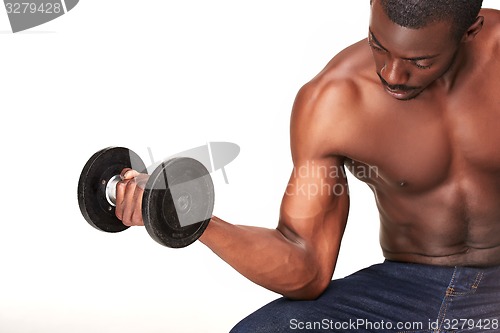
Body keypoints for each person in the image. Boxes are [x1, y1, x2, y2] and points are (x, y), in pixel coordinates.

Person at [115, 0, 500, 331]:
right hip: (403, 291)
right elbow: (307, 267)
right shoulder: (334, 101)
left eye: (419, 60)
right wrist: (195, 219)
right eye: (378, 46)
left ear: (471, 30)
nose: (391, 74)